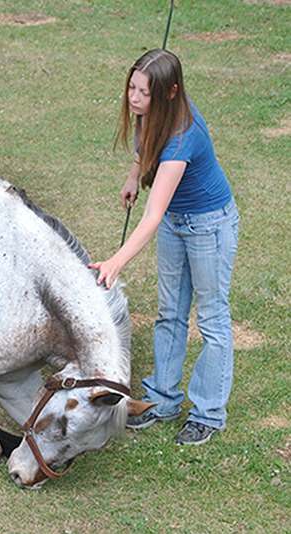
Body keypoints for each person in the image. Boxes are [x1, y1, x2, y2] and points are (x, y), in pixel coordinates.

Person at [88, 49, 240, 446]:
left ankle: (207, 413)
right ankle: (162, 399)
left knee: (211, 319)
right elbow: (145, 142)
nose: (135, 99)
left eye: (145, 92)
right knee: (170, 310)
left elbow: (152, 216)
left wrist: (115, 262)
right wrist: (133, 175)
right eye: (132, 88)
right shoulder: (151, 115)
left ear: (171, 92)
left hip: (209, 226)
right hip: (177, 222)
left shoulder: (182, 136)